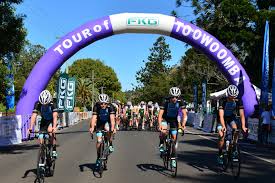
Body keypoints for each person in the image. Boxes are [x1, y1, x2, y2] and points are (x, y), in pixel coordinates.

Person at [217, 85, 248, 164]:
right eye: (231, 96)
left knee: (236, 130)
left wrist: (244, 126)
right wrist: (223, 126)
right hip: (222, 118)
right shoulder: (222, 101)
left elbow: (242, 115)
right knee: (222, 136)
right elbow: (221, 116)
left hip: (231, 117)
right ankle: (220, 154)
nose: (233, 98)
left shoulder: (238, 100)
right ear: (228, 94)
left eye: (234, 96)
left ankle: (234, 148)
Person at [158, 87, 187, 168]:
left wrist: (183, 124)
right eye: (173, 97)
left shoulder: (180, 102)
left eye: (176, 97)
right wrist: (160, 124)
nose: (174, 99)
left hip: (174, 120)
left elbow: (185, 115)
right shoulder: (165, 101)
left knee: (174, 139)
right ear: (170, 96)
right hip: (165, 118)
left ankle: (173, 159)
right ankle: (161, 143)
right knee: (163, 132)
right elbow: (160, 115)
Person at [28, 90, 58, 158]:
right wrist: (30, 127)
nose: (44, 105)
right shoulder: (37, 104)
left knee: (50, 132)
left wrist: (54, 127)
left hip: (52, 120)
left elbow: (55, 116)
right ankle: (42, 153)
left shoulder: (53, 104)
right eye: (43, 104)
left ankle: (54, 149)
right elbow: (34, 116)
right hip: (44, 120)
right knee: (41, 137)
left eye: (46, 104)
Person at [89, 94, 116, 167]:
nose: (103, 105)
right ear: (99, 103)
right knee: (99, 140)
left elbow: (112, 119)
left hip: (108, 121)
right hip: (100, 123)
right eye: (101, 103)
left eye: (105, 103)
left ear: (107, 103)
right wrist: (91, 127)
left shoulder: (111, 107)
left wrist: (113, 128)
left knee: (108, 130)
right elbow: (94, 118)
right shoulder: (96, 107)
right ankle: (98, 157)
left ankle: (110, 143)